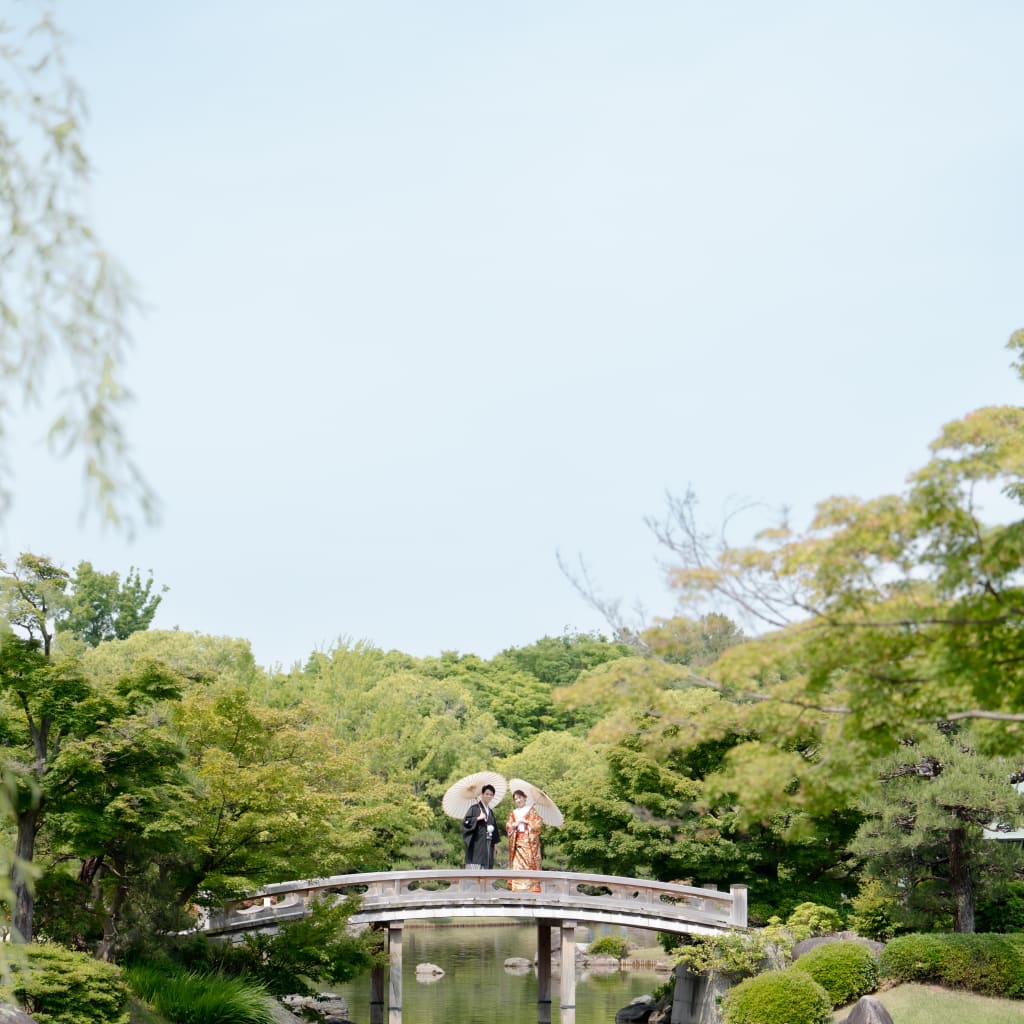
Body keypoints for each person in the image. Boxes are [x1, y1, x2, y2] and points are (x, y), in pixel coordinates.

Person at [506, 788, 543, 891]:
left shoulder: (531, 810)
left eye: (520, 797)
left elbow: (538, 824)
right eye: (516, 799)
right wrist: (515, 824)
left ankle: (531, 889)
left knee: (529, 865)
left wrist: (527, 822)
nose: (518, 800)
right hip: (517, 843)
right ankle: (517, 888)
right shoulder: (513, 812)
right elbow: (509, 827)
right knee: (517, 866)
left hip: (529, 844)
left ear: (525, 798)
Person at [462, 783, 500, 868]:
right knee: (477, 866)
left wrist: (495, 845)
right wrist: (478, 818)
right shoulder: (474, 808)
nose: (489, 796)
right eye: (487, 794)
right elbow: (466, 822)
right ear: (482, 795)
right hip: (478, 843)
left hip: (489, 843)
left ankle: (486, 881)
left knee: (488, 863)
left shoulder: (490, 811)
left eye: (491, 795)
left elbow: (494, 830)